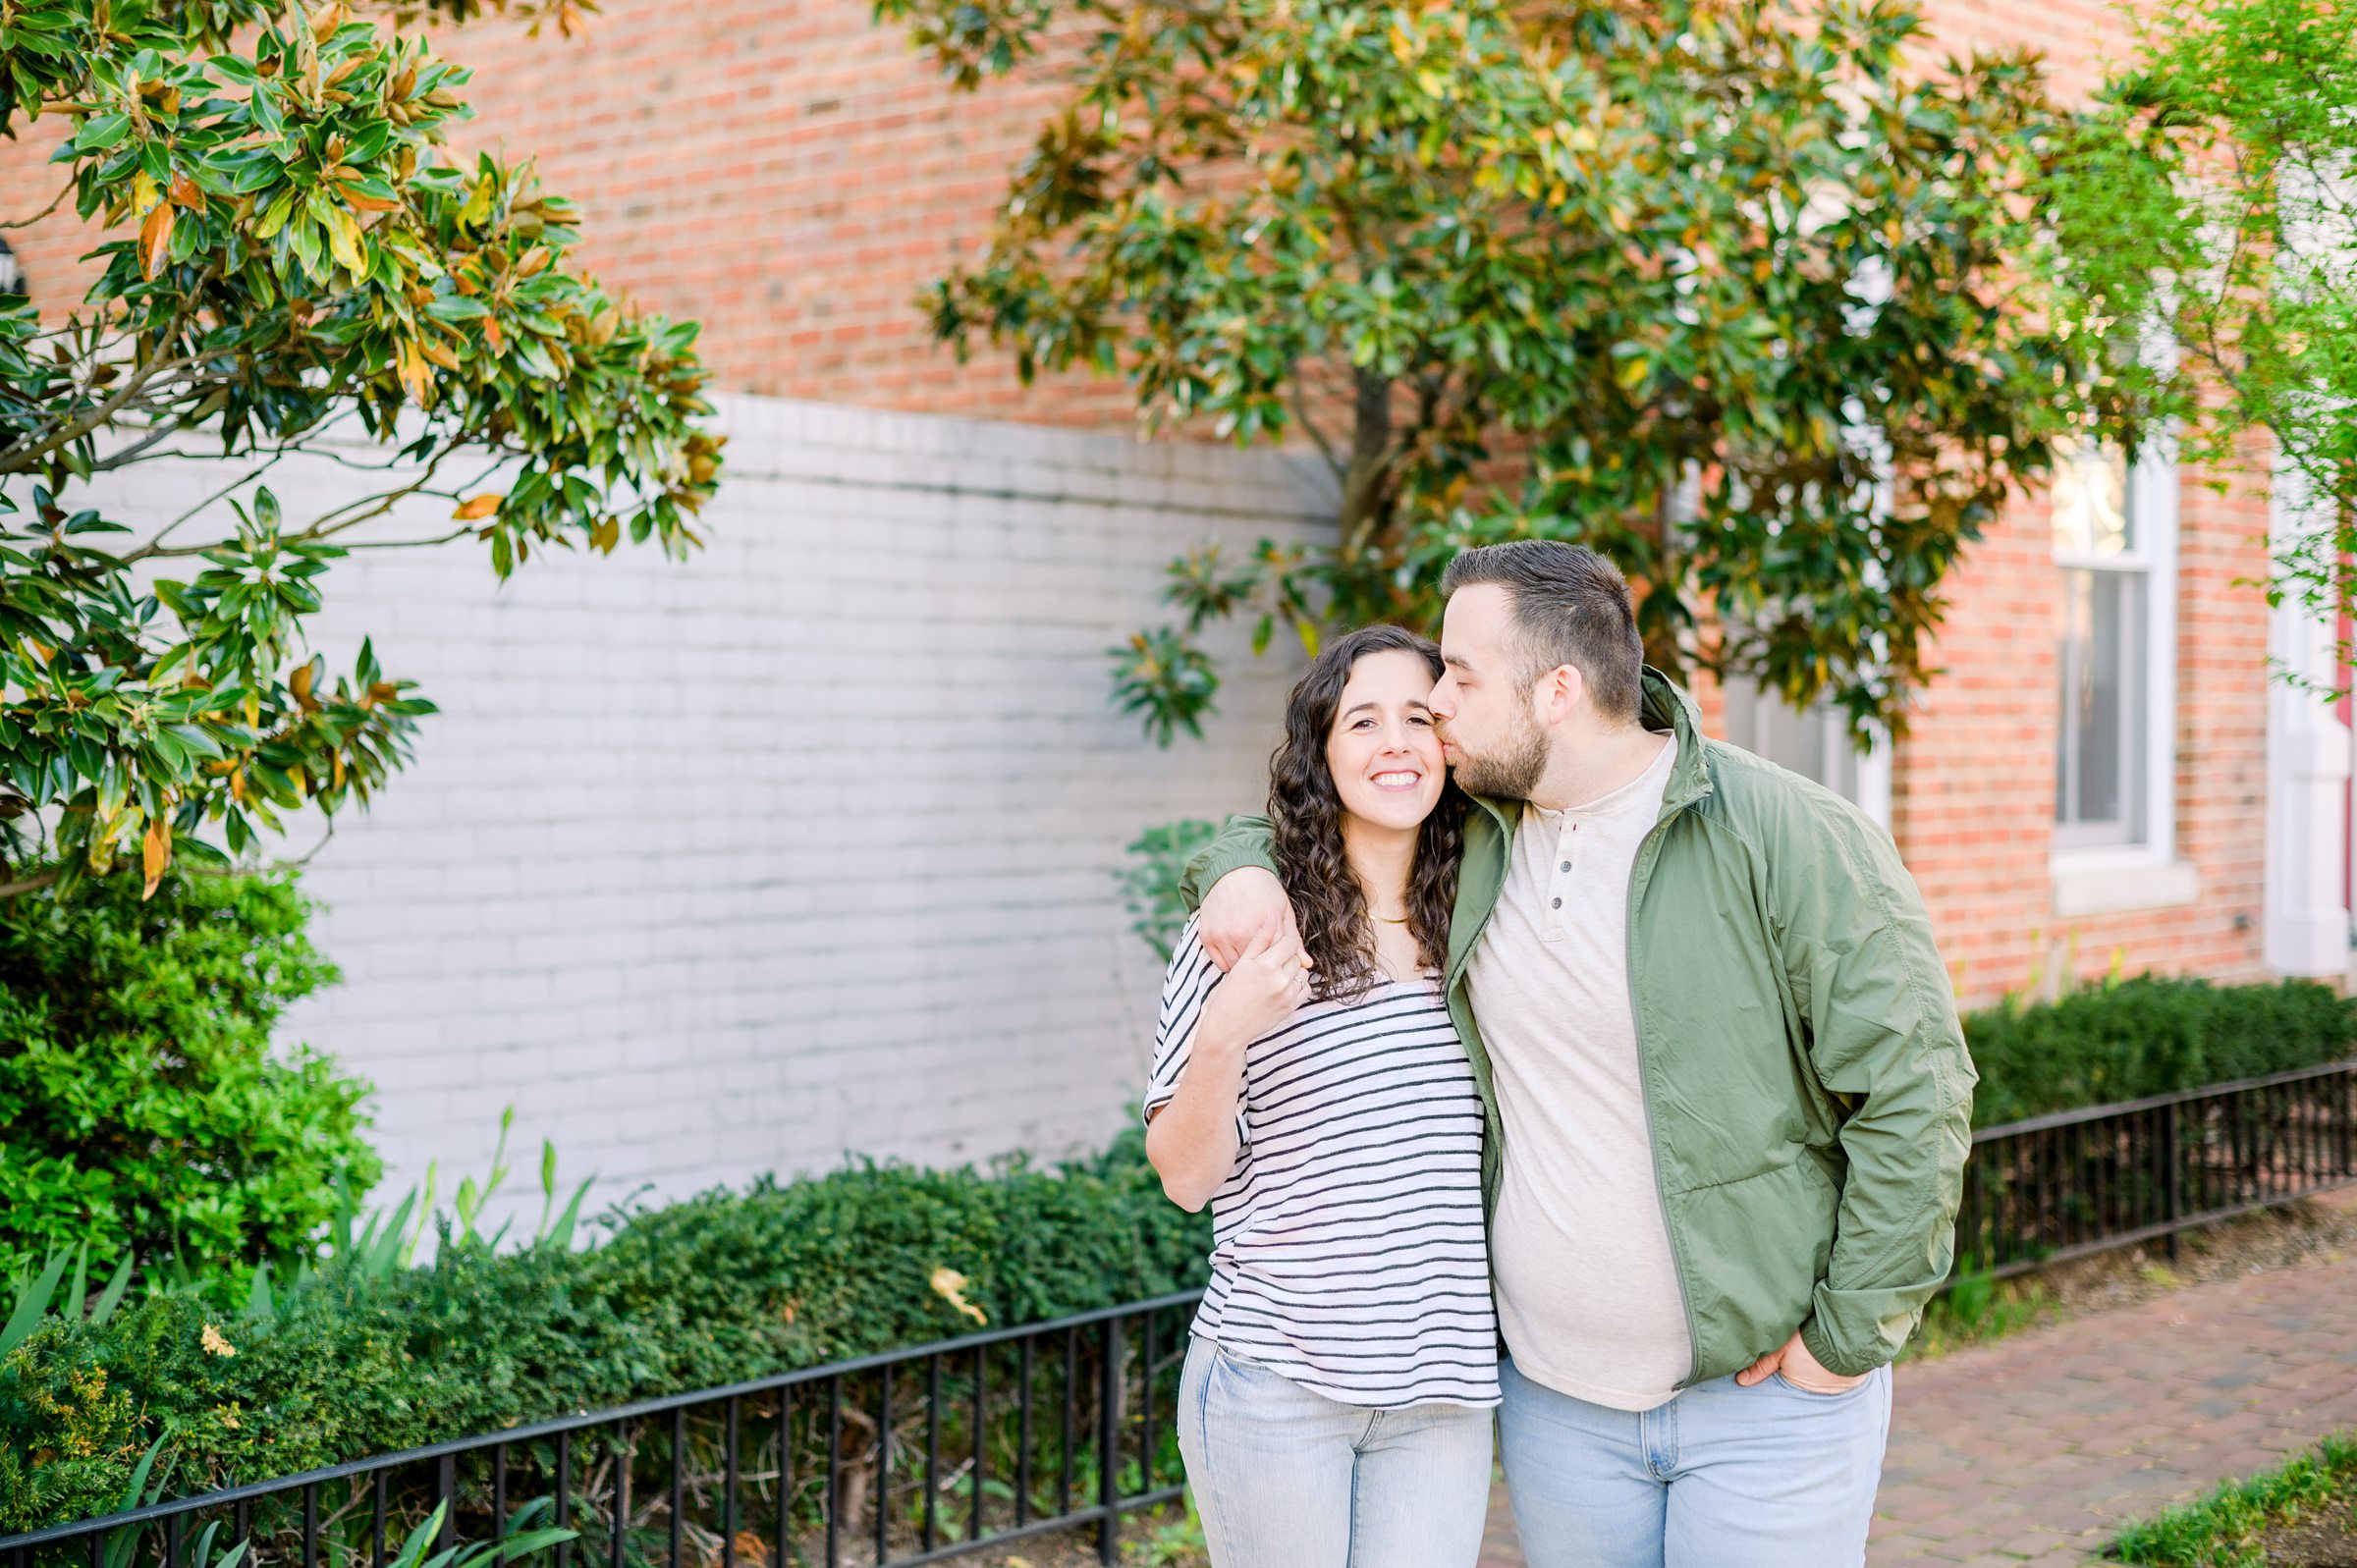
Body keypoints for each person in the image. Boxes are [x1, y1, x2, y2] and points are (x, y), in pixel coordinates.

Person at [1181, 541, 1975, 1568]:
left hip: (1762, 1403)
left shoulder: (1789, 833)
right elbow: (1316, 809)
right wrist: (1236, 870)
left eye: (1459, 678)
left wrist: (1846, 1340)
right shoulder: (1474, 831)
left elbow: (1918, 1091)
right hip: (1556, 1410)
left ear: (1556, 690)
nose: (1436, 705)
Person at [1143, 623, 1498, 1568]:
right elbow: (1184, 1176)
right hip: (1277, 1386)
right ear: (1321, 753)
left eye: (1419, 718)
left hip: (1440, 1395)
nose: (1396, 744)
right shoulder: (1252, 926)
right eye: (1362, 721)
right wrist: (1226, 1027)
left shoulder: (1483, 920)